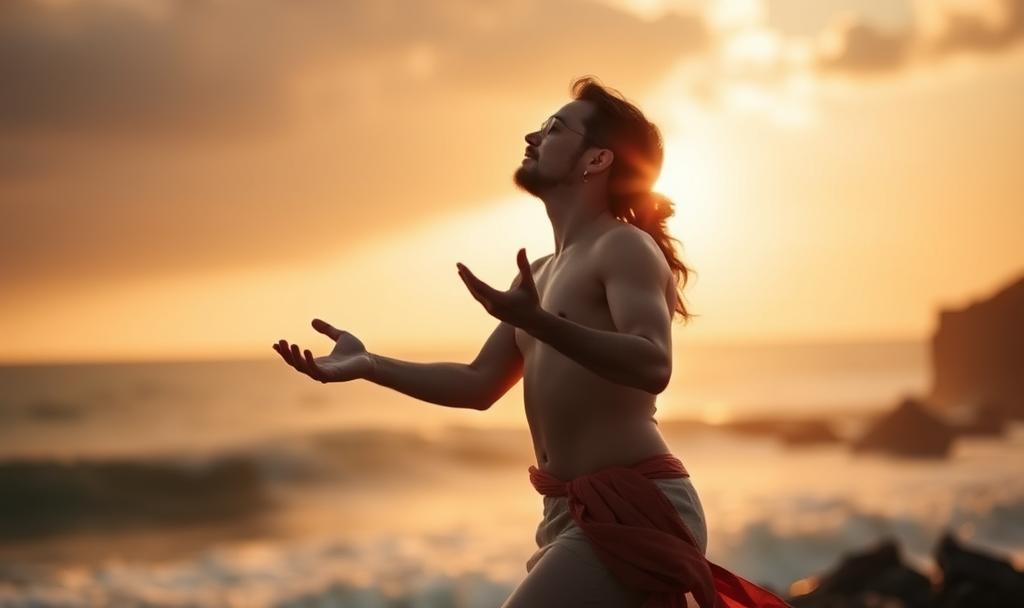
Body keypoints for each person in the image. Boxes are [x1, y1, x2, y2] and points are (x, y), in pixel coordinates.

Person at [272, 76, 791, 607]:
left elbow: (653, 362)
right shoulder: (542, 272)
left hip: (634, 501)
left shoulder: (622, 247)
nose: (531, 137)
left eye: (554, 128)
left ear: (597, 160)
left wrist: (540, 323)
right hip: (565, 511)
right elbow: (477, 384)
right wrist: (369, 363)